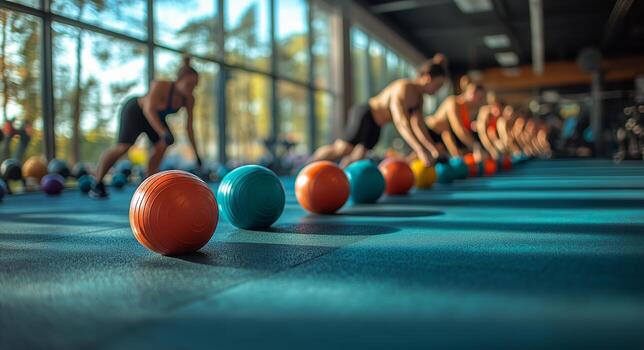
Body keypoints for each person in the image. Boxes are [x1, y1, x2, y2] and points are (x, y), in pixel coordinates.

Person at [90, 56, 201, 198]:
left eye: (195, 85)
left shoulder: (189, 99)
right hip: (135, 111)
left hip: (155, 118)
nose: (192, 89)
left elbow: (189, 128)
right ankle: (97, 183)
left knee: (163, 144)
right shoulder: (161, 86)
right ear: (178, 81)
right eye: (189, 84)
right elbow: (148, 110)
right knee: (123, 147)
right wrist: (163, 132)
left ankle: (148, 181)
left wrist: (196, 154)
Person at [310, 55, 447, 168]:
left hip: (377, 124)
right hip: (366, 114)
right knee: (342, 149)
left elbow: (419, 126)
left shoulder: (419, 99)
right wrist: (420, 150)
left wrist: (432, 149)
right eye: (438, 85)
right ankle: (308, 165)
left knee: (359, 156)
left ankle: (340, 177)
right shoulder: (403, 88)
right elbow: (401, 123)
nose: (438, 90)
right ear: (427, 78)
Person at [424, 77, 485, 158]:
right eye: (477, 96)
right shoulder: (453, 102)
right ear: (469, 92)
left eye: (480, 98)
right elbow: (458, 128)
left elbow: (447, 133)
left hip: (443, 137)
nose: (478, 101)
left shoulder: (468, 110)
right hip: (429, 132)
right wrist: (476, 147)